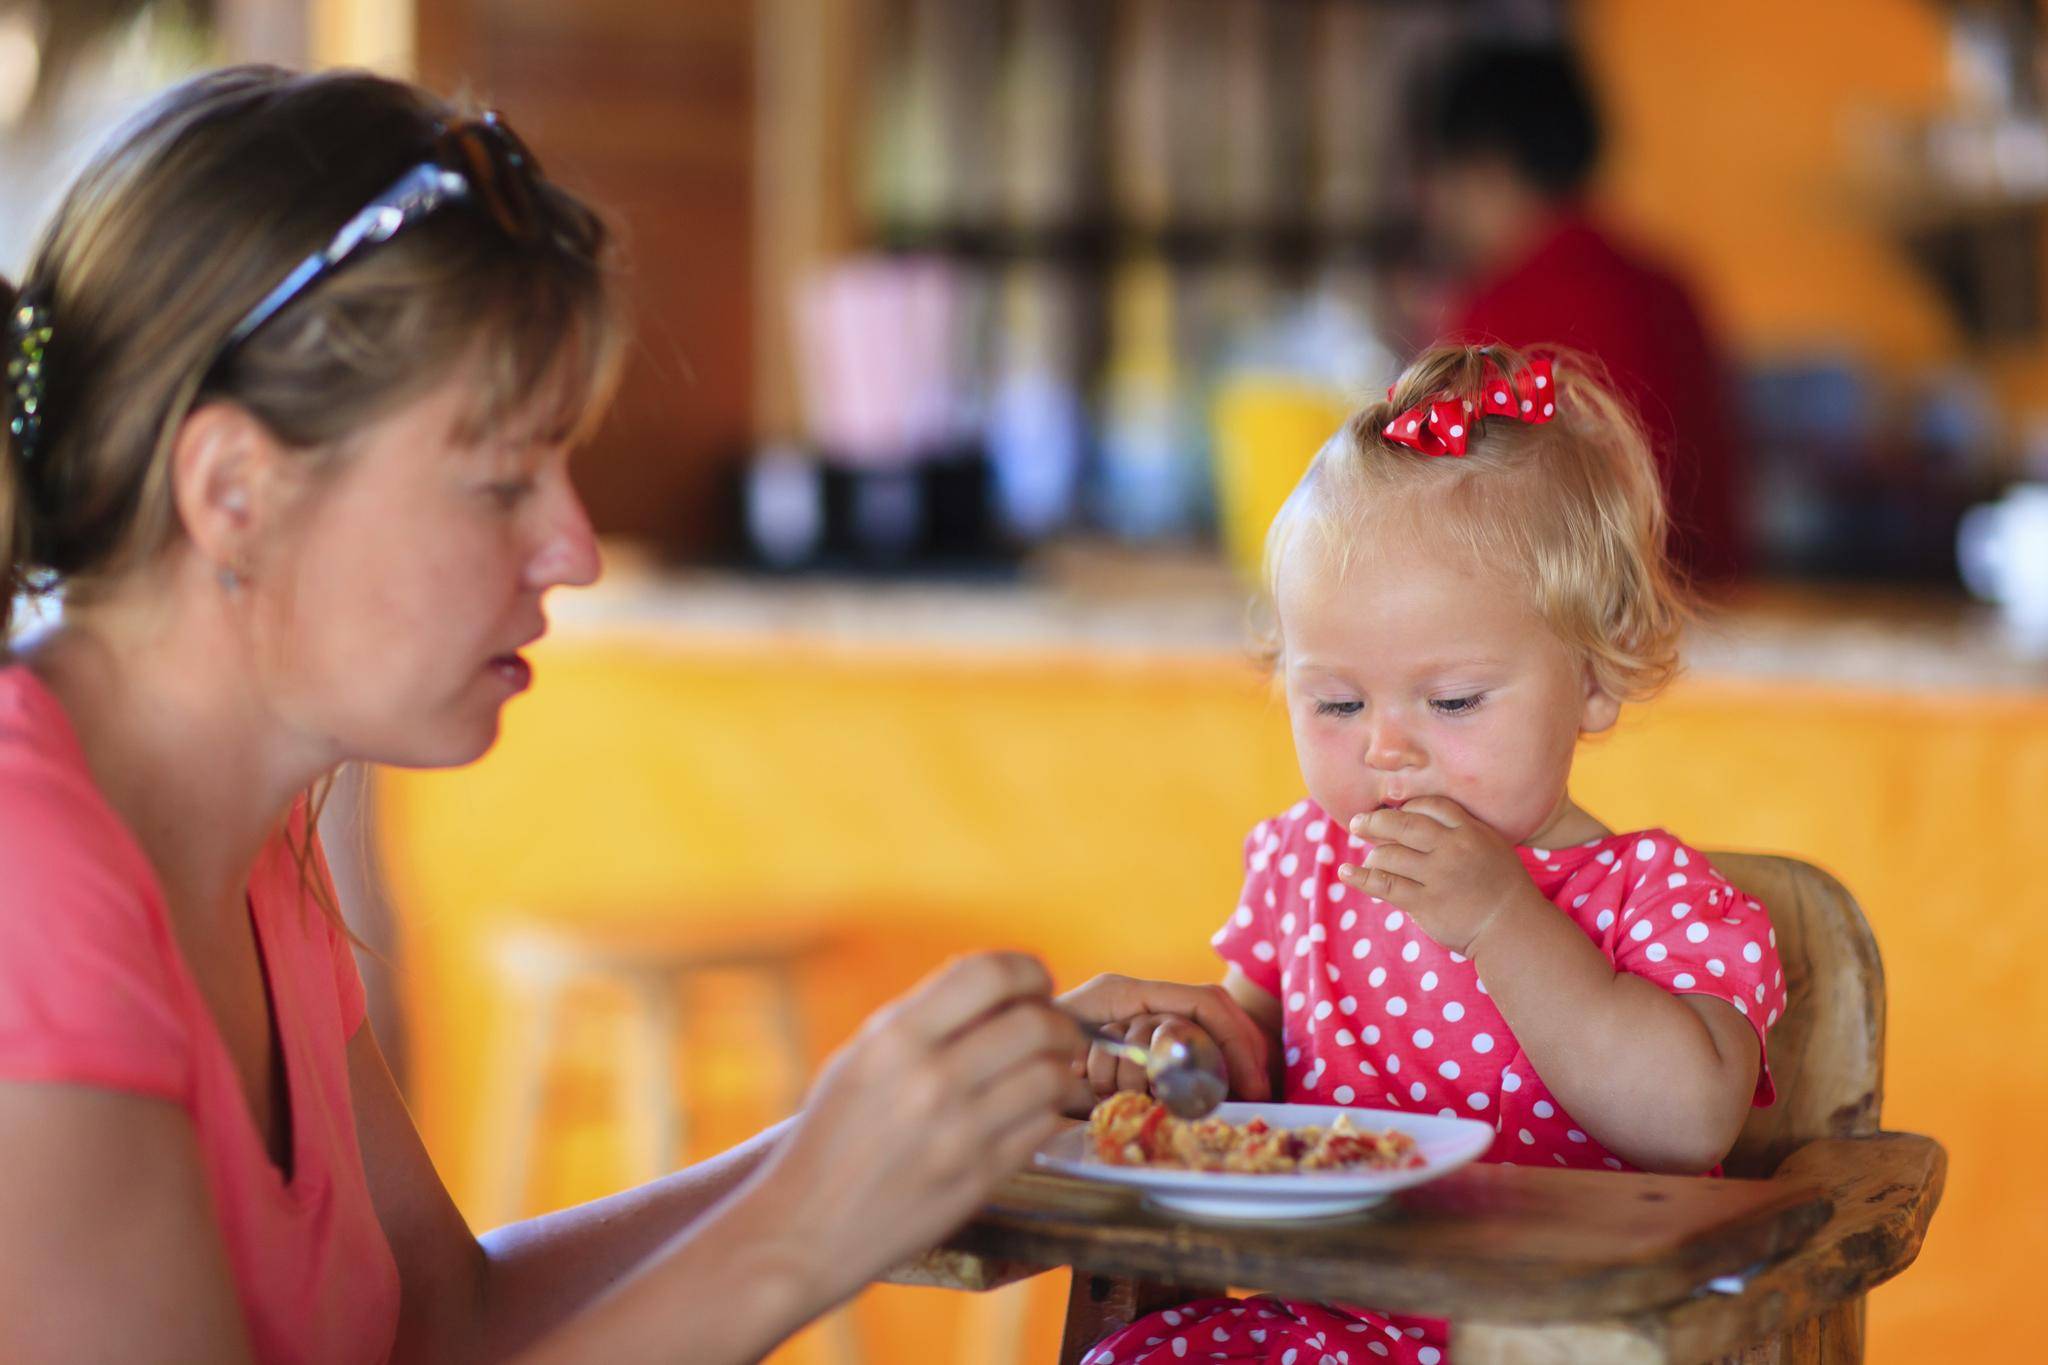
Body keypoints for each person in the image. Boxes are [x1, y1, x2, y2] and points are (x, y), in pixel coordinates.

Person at [0, 64, 1247, 1364]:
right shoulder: (28, 880)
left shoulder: (245, 841)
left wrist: (902, 1135)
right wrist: (806, 1229)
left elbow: (446, 1323)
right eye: (500, 483)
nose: (575, 548)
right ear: (233, 489)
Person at [1066, 343, 1787, 1363]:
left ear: (1591, 678)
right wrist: (1175, 1062)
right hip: (1324, 1327)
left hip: (1566, 1339)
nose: (1386, 745)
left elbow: (1686, 1125)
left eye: (1449, 701)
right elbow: (1247, 1075)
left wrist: (1502, 922)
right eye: (1334, 702)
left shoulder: (1654, 898)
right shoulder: (1303, 869)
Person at [1413, 39, 1748, 587]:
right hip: (1710, 619)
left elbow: (1452, 509)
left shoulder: (1498, 310)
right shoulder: (1670, 287)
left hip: (1595, 628)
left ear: (1485, 167)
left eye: (1441, 178)